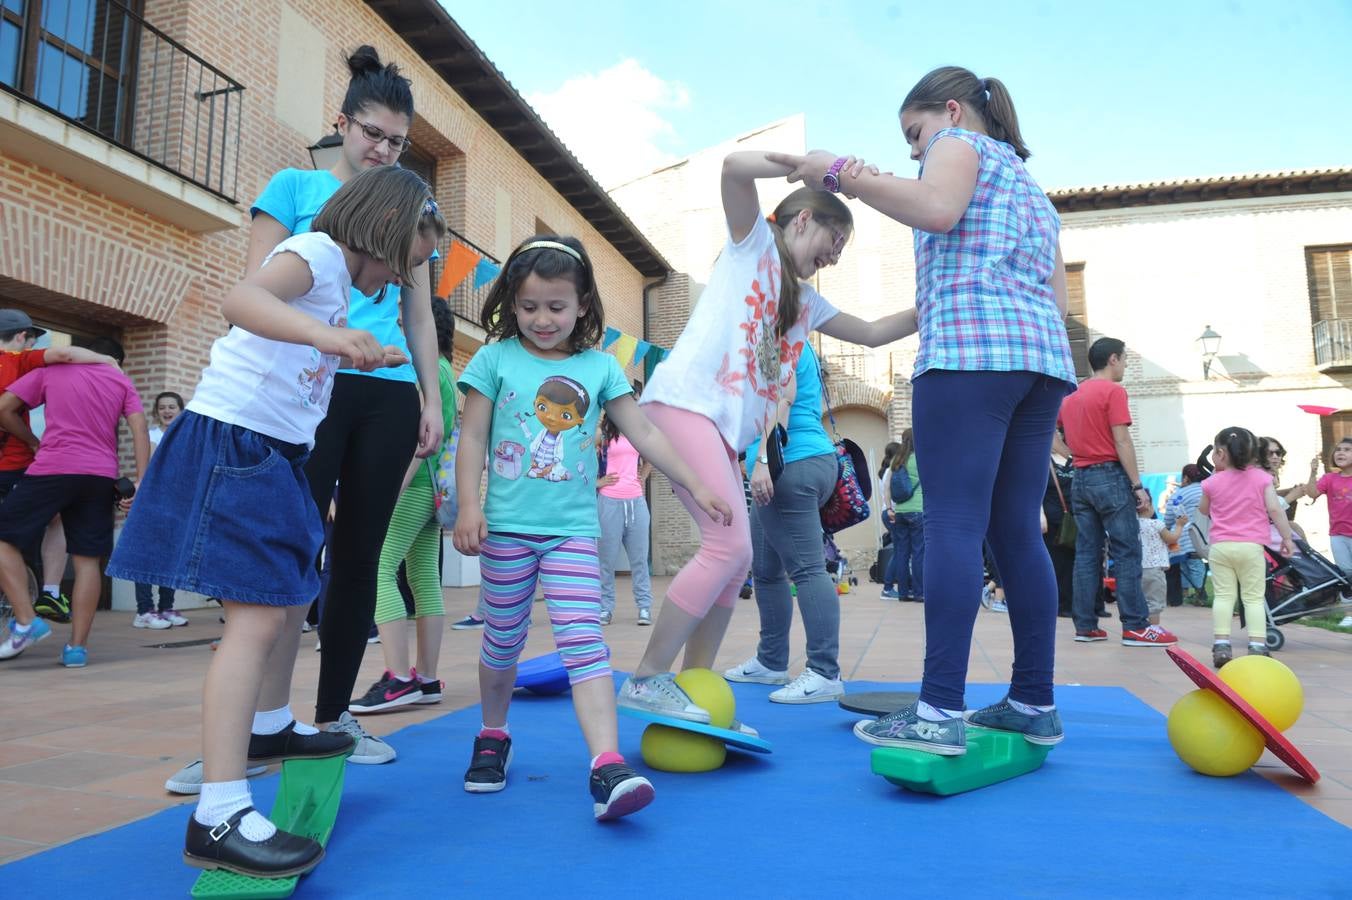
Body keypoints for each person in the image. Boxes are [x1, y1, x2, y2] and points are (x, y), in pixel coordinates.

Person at [108, 165, 443, 877]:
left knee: (294, 589)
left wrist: (364, 346)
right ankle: (219, 814)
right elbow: (241, 298)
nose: (399, 283)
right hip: (234, 444)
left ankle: (266, 729)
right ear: (382, 228)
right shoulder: (318, 253)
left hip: (273, 454)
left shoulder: (345, 284)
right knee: (258, 618)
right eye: (403, 265)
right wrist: (330, 337)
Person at [771, 65, 1077, 754]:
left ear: (949, 111)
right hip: (1040, 365)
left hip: (969, 358)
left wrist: (840, 172)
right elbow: (1055, 305)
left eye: (915, 134)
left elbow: (936, 210)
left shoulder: (956, 145)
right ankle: (1034, 702)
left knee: (953, 525)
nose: (915, 151)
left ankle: (938, 711)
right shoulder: (1033, 190)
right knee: (1016, 534)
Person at [618, 158, 915, 724]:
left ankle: (693, 687)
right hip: (683, 406)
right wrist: (802, 166)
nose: (837, 254)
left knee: (739, 558)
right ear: (802, 220)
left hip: (718, 431)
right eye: (836, 238)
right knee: (728, 548)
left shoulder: (806, 303)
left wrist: (938, 305)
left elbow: (874, 333)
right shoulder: (750, 245)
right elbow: (732, 169)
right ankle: (646, 680)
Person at [451, 235, 733, 819]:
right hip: (504, 530)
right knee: (501, 642)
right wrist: (469, 507)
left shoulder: (601, 366)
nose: (541, 319)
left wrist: (698, 486)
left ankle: (607, 765)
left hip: (573, 533)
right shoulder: (494, 359)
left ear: (582, 305)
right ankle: (493, 734)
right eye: (528, 306)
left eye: (556, 306)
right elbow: (473, 436)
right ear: (510, 302)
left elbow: (648, 434)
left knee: (584, 641)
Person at [247, 47, 444, 764]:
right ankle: (262, 724)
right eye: (373, 135)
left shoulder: (410, 209)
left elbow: (419, 317)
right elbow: (253, 290)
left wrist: (431, 397)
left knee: (361, 555)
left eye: (397, 141)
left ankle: (336, 718)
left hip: (388, 392)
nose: (384, 150)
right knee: (292, 550)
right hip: (309, 388)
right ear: (341, 122)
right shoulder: (295, 185)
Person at [0, 337, 148, 665]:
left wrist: (31, 441)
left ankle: (27, 621)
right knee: (87, 561)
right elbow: (138, 427)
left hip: (53, 468)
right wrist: (141, 481)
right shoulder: (121, 380)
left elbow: (4, 409)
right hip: (99, 475)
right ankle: (76, 649)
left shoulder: (49, 371)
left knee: (3, 539)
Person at [350, 297, 457, 713]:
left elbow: (419, 443)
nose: (397, 326)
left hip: (412, 485)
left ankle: (398, 678)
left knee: (378, 567)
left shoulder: (426, 376)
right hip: (435, 491)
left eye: (402, 320)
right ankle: (426, 678)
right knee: (422, 574)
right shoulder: (445, 374)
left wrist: (390, 489)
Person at [724, 342, 846, 703]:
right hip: (797, 462)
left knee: (807, 569)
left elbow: (784, 398)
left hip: (789, 464)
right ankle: (771, 661)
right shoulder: (778, 337)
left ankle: (825, 672)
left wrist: (763, 460)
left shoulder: (777, 334)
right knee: (765, 569)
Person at [1055, 336, 1177, 647]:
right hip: (1109, 475)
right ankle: (1135, 626)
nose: (1123, 365)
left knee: (1086, 554)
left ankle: (1085, 626)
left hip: (1080, 477)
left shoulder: (1071, 396)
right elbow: (1122, 439)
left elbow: (1050, 432)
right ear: (1112, 359)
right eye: (1123, 359)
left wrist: (1071, 455)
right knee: (1126, 552)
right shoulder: (1113, 391)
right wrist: (1137, 484)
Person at [0, 311, 116, 624]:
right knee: (55, 517)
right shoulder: (18, 359)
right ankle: (50, 592)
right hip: (12, 465)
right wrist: (106, 361)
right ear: (22, 336)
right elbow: (65, 352)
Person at [1200, 427, 1294, 668]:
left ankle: (1221, 645)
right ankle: (1257, 646)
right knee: (1253, 597)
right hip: (1251, 547)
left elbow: (1203, 510)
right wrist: (1287, 538)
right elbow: (1275, 509)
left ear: (1220, 454)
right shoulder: (1263, 479)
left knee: (1223, 596)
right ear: (1254, 453)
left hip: (1221, 546)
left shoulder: (1211, 482)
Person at [596, 388, 655, 626]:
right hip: (609, 501)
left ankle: (644, 607)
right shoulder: (603, 432)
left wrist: (642, 476)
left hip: (636, 502)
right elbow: (582, 456)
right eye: (633, 401)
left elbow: (651, 457)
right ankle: (604, 608)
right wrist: (597, 482)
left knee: (639, 559)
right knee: (606, 561)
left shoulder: (639, 431)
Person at [134, 391, 189, 629]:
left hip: (177, 504)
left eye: (172, 407)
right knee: (147, 557)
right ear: (157, 413)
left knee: (170, 558)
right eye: (162, 408)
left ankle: (166, 608)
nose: (167, 411)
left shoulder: (186, 437)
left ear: (180, 411)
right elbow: (155, 464)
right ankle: (144, 611)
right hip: (153, 502)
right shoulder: (154, 436)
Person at [880, 427, 924, 602]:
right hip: (918, 511)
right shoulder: (921, 458)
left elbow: (887, 486)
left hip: (899, 513)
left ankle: (903, 593)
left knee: (902, 553)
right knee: (919, 553)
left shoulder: (897, 460)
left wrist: (890, 508)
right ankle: (920, 593)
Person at [1136, 487, 1186, 628]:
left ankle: (1141, 628)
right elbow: (1172, 538)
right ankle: (1154, 630)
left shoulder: (1132, 525)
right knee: (1154, 603)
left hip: (1137, 569)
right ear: (1147, 504)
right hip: (1154, 570)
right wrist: (1179, 525)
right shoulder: (1156, 524)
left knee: (1140, 600)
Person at [1304, 436, 1352, 575]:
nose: (1340, 453)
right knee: (1346, 570)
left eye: (1347, 450)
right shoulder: (1329, 478)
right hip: (1338, 534)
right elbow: (1312, 493)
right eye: (1338, 450)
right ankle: (1347, 594)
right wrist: (1313, 472)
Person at [1164, 463, 1208, 601]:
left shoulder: (1178, 495)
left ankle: (1185, 593)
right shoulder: (1207, 490)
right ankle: (1199, 591)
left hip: (1181, 538)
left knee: (1183, 566)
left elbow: (1168, 520)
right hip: (1204, 536)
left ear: (1186, 478)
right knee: (1196, 565)